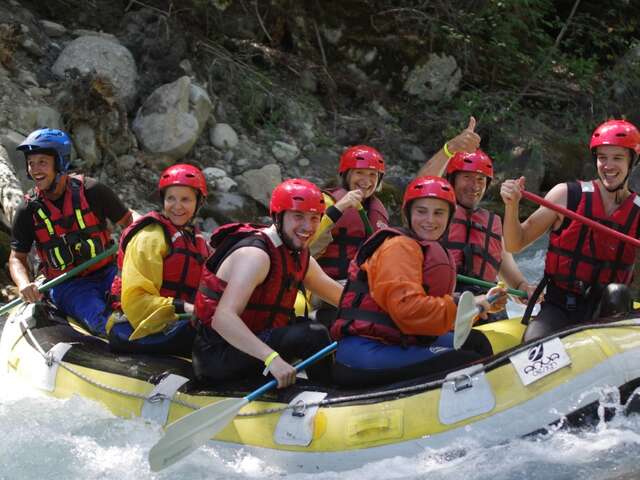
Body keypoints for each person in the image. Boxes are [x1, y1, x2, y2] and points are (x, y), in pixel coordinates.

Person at [330, 176, 506, 388]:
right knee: (465, 362)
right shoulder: (399, 247)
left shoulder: (421, 247)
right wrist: (462, 306)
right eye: (421, 211)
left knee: (476, 342)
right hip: (365, 351)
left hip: (396, 340)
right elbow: (408, 310)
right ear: (408, 214)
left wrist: (477, 304)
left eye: (439, 212)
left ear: (450, 218)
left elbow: (427, 310)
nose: (430, 220)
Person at [192, 179, 344, 388]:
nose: (308, 227)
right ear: (278, 217)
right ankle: (331, 395)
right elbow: (223, 319)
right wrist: (271, 358)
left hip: (252, 345)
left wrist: (381, 315)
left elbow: (342, 298)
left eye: (314, 218)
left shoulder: (297, 253)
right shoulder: (256, 255)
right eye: (298, 216)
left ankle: (329, 387)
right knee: (312, 335)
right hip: (217, 355)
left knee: (321, 324)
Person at [500, 119, 640, 342]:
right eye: (602, 157)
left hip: (609, 312)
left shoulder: (638, 212)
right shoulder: (566, 196)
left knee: (617, 292)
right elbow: (515, 243)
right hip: (560, 306)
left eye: (617, 158)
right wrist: (511, 205)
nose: (608, 165)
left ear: (632, 162)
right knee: (532, 345)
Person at [9, 127, 132, 335]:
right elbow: (17, 258)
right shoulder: (27, 210)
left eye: (42, 162)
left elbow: (129, 224)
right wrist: (24, 283)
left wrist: (131, 261)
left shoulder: (93, 191)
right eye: (31, 163)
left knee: (140, 307)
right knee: (104, 323)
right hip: (68, 285)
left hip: (109, 273)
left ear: (60, 163)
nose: (34, 169)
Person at [107, 164, 210, 355]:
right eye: (171, 198)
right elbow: (136, 303)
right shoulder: (150, 237)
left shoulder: (196, 239)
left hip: (175, 322)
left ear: (198, 203)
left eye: (185, 199)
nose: (177, 206)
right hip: (135, 327)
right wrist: (183, 307)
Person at [439, 150, 537, 319]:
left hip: (487, 306)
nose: (475, 186)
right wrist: (450, 148)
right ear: (452, 179)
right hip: (447, 305)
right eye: (467, 177)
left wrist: (526, 290)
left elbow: (516, 284)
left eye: (480, 179)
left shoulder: (492, 224)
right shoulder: (435, 217)